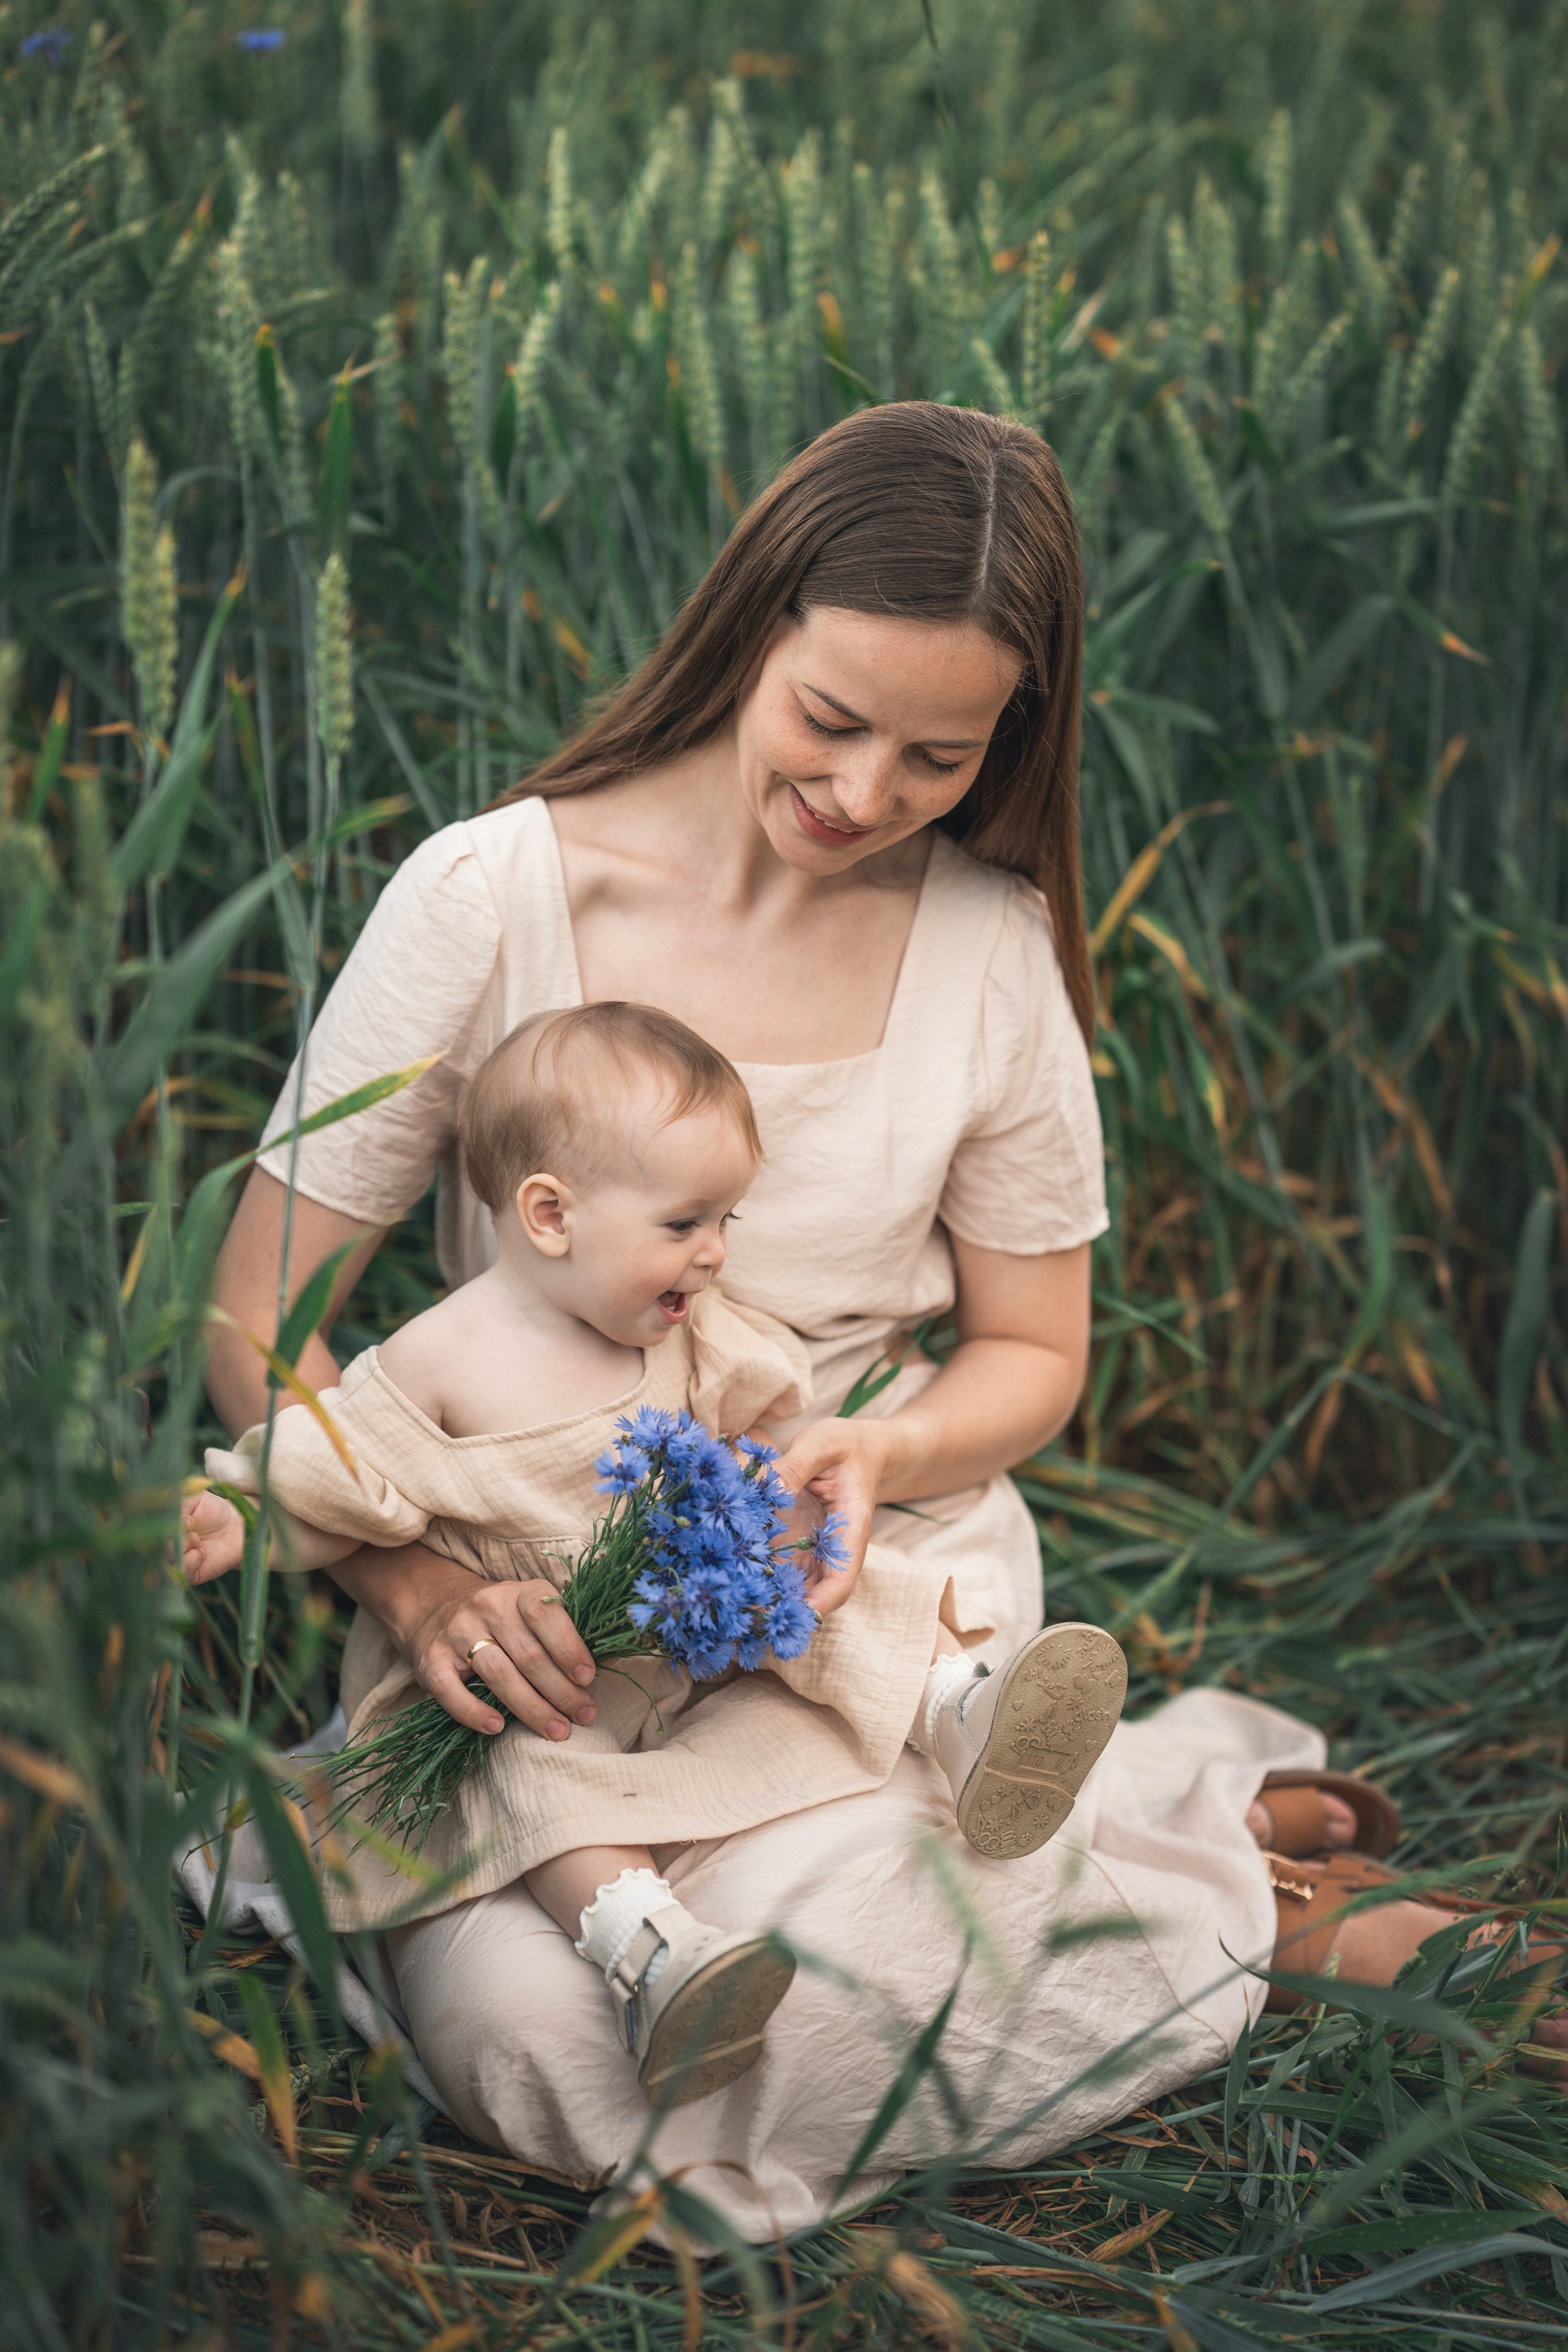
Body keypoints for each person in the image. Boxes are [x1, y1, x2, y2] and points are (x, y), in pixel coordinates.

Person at [192, 402, 1554, 2233]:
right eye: (830, 720)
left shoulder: (988, 945)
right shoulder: (492, 895)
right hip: (538, 1638)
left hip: (853, 1600)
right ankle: (1165, 1843)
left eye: (939, 753)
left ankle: (1249, 1908)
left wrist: (877, 1446)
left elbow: (1034, 1354)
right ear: (753, 624)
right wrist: (426, 1591)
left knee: (828, 2017)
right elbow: (258, 1325)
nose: (861, 793)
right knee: (552, 2062)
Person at [189, 1001, 1127, 2108]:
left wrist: (772, 1489)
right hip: (545, 1664)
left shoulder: (677, 1321)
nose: (719, 1252)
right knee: (525, 1773)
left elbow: (754, 1407)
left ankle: (961, 1715)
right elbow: (333, 1479)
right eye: (689, 1223)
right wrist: (237, 1521)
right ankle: (653, 1954)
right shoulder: (439, 1362)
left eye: (727, 1217)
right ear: (551, 1215)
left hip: (683, 1617)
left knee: (821, 1580)